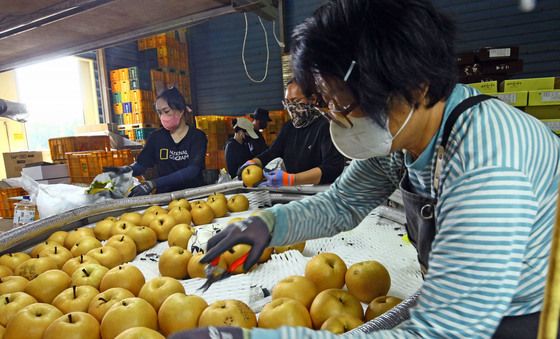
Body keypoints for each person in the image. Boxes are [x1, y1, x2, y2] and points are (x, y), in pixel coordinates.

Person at [172, 0, 560, 338]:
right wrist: (269, 224)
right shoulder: (403, 133)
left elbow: (441, 329)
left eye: (342, 105)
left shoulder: (487, 164)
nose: (336, 120)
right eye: (327, 104)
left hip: (527, 311)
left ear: (416, 86)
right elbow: (340, 204)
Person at [237, 80, 346, 186]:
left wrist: (291, 179)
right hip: (295, 191)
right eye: (287, 103)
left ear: (312, 99)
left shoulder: (326, 126)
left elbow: (332, 168)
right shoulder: (289, 127)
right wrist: (254, 162)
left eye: (295, 102)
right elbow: (273, 152)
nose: (291, 107)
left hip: (321, 192)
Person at [108, 87, 207, 196]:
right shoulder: (156, 138)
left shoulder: (197, 137)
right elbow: (141, 165)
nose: (162, 116)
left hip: (193, 196)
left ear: (181, 110)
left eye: (166, 111)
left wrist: (153, 183)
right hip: (165, 198)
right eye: (159, 113)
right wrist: (122, 172)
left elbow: (192, 170)